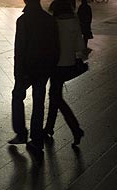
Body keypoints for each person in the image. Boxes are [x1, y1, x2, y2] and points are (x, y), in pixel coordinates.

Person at [8, 0, 59, 153]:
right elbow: (56, 46)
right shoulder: (50, 20)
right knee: (39, 102)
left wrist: (18, 73)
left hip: (27, 69)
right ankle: (36, 139)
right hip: (44, 69)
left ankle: (21, 132)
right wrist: (51, 66)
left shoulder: (23, 21)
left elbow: (20, 49)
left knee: (17, 96)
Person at [44, 0, 85, 146]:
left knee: (56, 97)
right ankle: (49, 128)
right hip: (68, 64)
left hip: (55, 65)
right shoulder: (74, 22)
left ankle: (76, 129)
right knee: (55, 95)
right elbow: (79, 46)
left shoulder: (54, 23)